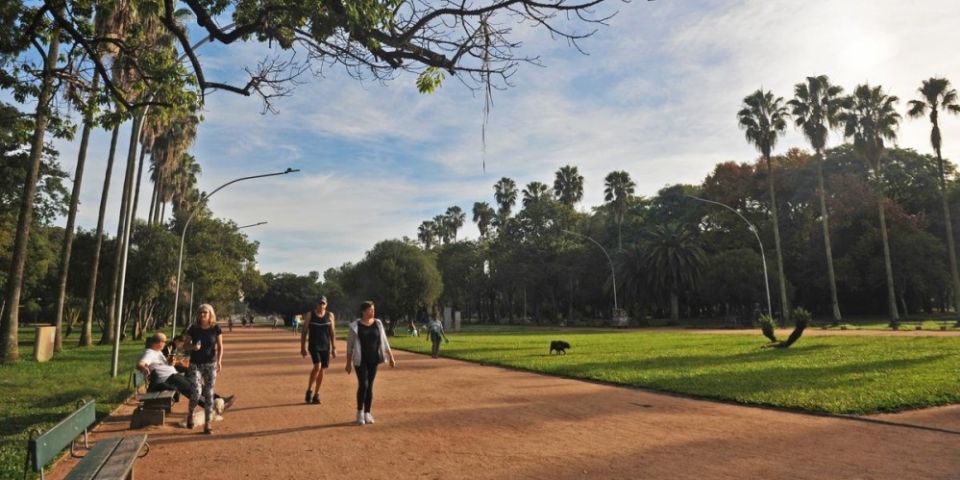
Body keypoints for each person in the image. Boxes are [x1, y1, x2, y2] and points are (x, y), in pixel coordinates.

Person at [345, 301, 396, 425]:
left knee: (370, 386)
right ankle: (360, 412)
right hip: (360, 359)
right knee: (364, 384)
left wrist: (391, 356)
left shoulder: (378, 323)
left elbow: (384, 341)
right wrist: (348, 363)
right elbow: (350, 346)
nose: (373, 312)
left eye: (373, 309)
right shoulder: (355, 326)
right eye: (370, 310)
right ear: (363, 311)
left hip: (374, 359)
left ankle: (367, 412)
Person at [186, 304, 223, 434]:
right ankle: (191, 413)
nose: (202, 314)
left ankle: (208, 423)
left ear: (210, 314)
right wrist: (193, 347)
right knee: (196, 392)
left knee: (209, 393)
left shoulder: (216, 328)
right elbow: (185, 345)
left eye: (205, 312)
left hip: (210, 364)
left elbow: (220, 346)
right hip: (195, 364)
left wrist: (219, 361)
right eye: (200, 312)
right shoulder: (193, 328)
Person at [300, 296, 337, 404]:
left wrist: (334, 348)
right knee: (318, 366)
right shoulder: (310, 315)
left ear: (326, 304)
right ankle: (309, 390)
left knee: (322, 369)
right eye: (319, 303)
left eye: (323, 303)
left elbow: (332, 333)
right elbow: (304, 332)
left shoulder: (330, 315)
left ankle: (316, 394)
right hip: (314, 345)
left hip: (325, 346)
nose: (321, 305)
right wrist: (302, 347)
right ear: (316, 304)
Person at [138, 332, 195, 401]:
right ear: (159, 343)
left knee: (194, 386)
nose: (165, 344)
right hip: (168, 378)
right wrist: (143, 368)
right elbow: (140, 364)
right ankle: (206, 403)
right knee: (193, 389)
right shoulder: (150, 353)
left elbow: (164, 364)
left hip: (173, 376)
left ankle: (206, 402)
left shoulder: (158, 352)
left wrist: (171, 363)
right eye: (164, 342)